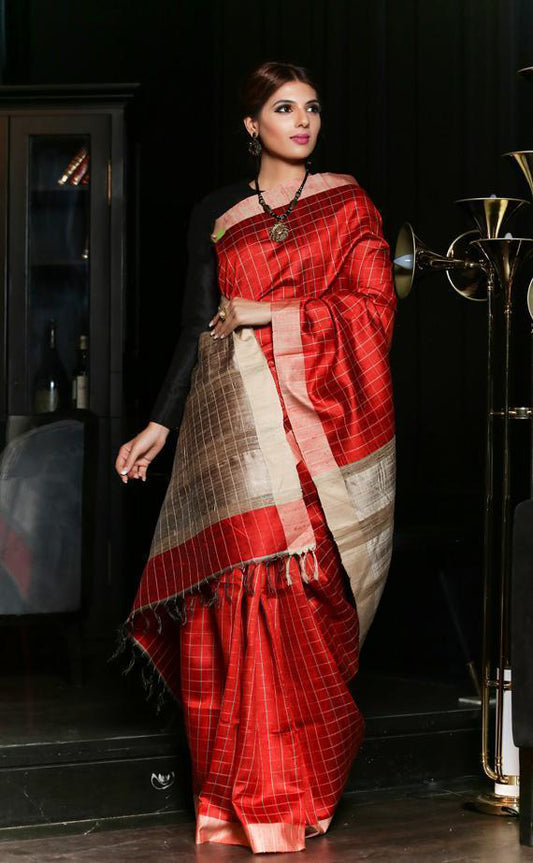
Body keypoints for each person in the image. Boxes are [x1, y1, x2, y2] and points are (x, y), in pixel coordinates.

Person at [112, 60, 396, 854]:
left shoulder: (347, 203)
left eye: (311, 108)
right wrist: (160, 424)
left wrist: (269, 312)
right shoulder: (217, 212)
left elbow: (372, 305)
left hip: (317, 431)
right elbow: (196, 328)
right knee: (237, 587)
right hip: (234, 426)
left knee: (299, 589)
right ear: (251, 125)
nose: (302, 122)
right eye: (283, 108)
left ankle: (294, 790)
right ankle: (234, 795)